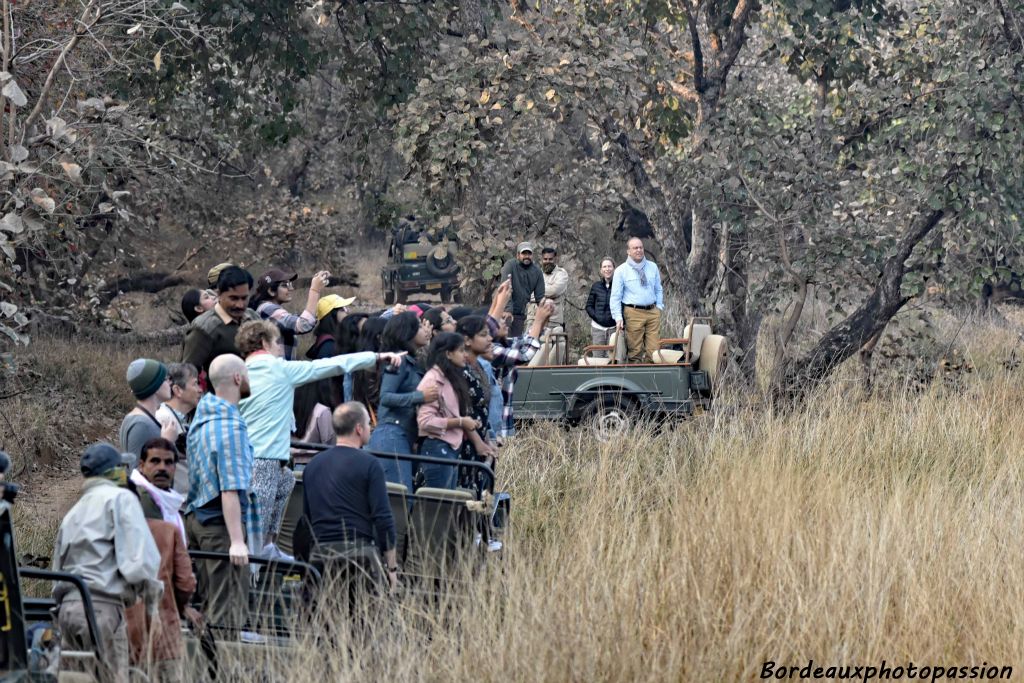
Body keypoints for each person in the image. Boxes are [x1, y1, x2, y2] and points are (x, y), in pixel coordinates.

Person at [234, 320, 404, 560]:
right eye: (277, 343)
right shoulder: (278, 368)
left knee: (284, 484)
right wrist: (376, 357)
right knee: (256, 530)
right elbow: (331, 365)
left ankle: (266, 550)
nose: (281, 349)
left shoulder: (238, 372)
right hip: (264, 459)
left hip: (248, 459)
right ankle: (254, 572)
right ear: (264, 343)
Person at [52, 443, 162, 683]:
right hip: (102, 609)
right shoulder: (121, 498)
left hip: (68, 611)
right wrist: (153, 599)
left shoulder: (74, 511)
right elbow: (139, 564)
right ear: (113, 472)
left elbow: (58, 567)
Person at [184, 354, 257, 639]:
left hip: (198, 522)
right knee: (226, 614)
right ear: (238, 378)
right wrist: (237, 541)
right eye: (247, 373)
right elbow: (230, 487)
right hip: (220, 527)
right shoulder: (231, 427)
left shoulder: (202, 421)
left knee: (207, 608)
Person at [302, 402, 399, 592]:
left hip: (320, 556)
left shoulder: (312, 466)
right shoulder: (371, 464)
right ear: (358, 428)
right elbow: (383, 518)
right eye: (369, 423)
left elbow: (306, 520)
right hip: (361, 557)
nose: (371, 427)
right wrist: (392, 568)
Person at [126, 439, 198, 683]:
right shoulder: (141, 502)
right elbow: (183, 582)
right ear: (141, 464)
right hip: (146, 616)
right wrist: (179, 606)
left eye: (169, 463)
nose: (163, 468)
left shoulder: (164, 501)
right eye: (155, 461)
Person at [368, 312, 436, 490]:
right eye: (420, 327)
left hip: (403, 436)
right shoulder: (399, 360)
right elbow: (386, 397)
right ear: (408, 332)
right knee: (400, 497)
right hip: (391, 435)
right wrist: (420, 397)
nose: (425, 330)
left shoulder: (412, 360)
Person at [416, 333, 485, 490]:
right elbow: (425, 421)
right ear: (448, 354)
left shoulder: (449, 378)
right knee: (441, 507)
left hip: (449, 448)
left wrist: (468, 422)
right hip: (437, 448)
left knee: (447, 505)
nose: (465, 355)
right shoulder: (432, 381)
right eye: (461, 351)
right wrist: (461, 422)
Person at [182, 266, 260, 377]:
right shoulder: (205, 328)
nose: (240, 305)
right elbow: (188, 372)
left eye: (244, 298)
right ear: (219, 294)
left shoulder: (253, 317)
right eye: (233, 298)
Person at [249, 268, 331, 360]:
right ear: (271, 291)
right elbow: (304, 324)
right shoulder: (267, 309)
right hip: (277, 372)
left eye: (290, 284)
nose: (291, 289)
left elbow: (301, 319)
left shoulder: (271, 310)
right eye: (285, 285)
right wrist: (315, 290)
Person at [455, 316, 500, 472]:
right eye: (483, 334)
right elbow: (463, 410)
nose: (490, 338)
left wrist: (487, 439)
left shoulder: (480, 365)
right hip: (464, 443)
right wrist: (478, 442)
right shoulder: (461, 369)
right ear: (467, 340)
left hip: (480, 440)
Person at [610, 237, 664, 363]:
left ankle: (653, 378)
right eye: (635, 248)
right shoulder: (621, 270)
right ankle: (637, 378)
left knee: (654, 350)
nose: (639, 250)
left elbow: (658, 289)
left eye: (641, 247)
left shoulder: (652, 267)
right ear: (628, 251)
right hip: (633, 312)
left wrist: (659, 306)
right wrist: (618, 317)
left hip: (652, 311)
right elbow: (615, 296)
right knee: (635, 350)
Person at [119, 358, 176, 469]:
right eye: (165, 379)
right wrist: (167, 442)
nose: (170, 382)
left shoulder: (138, 419)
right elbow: (137, 474)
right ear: (155, 386)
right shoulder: (141, 425)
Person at [156, 362, 201, 493]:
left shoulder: (180, 419)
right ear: (177, 390)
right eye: (195, 384)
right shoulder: (163, 418)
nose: (200, 389)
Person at [499, 242, 545, 337]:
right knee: (503, 343)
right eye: (524, 254)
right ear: (518, 255)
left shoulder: (537, 272)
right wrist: (508, 310)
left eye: (529, 254)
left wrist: (544, 314)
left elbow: (540, 297)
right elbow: (505, 288)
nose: (527, 256)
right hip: (503, 311)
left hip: (520, 314)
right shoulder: (510, 265)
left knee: (515, 344)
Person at [290, 383, 335, 468]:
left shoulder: (288, 409)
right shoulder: (322, 412)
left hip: (290, 465)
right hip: (315, 467)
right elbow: (331, 446)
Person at [586, 257, 617, 357]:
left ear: (614, 268)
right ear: (601, 270)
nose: (607, 269)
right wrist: (597, 317)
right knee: (598, 359)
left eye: (609, 266)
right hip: (597, 328)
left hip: (614, 329)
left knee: (612, 358)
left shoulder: (619, 285)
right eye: (604, 267)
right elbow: (589, 306)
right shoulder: (596, 286)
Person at [538, 246, 570, 327]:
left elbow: (554, 291)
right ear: (542, 259)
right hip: (535, 319)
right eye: (545, 259)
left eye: (550, 259)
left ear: (555, 259)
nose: (547, 261)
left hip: (554, 321)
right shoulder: (536, 274)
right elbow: (528, 292)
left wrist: (537, 289)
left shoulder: (561, 274)